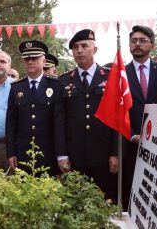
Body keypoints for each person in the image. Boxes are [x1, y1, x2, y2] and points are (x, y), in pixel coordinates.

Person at [59, 29, 118, 200]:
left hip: (104, 156)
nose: (79, 50)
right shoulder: (64, 81)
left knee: (105, 204)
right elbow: (60, 121)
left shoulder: (110, 77)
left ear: (95, 49)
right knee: (76, 206)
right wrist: (62, 154)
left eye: (84, 46)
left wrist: (116, 153)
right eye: (75, 47)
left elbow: (117, 119)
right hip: (74, 156)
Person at [123, 25, 157, 211]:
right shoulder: (120, 73)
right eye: (134, 40)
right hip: (130, 143)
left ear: (152, 45)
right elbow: (119, 111)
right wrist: (133, 134)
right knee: (132, 193)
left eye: (142, 41)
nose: (137, 44)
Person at [6, 40, 66, 176]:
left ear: (43, 60)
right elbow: (11, 124)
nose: (30, 61)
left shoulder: (55, 86)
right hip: (23, 154)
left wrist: (62, 154)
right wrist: (11, 152)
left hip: (48, 153)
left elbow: (59, 123)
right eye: (27, 59)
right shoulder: (16, 88)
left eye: (34, 58)